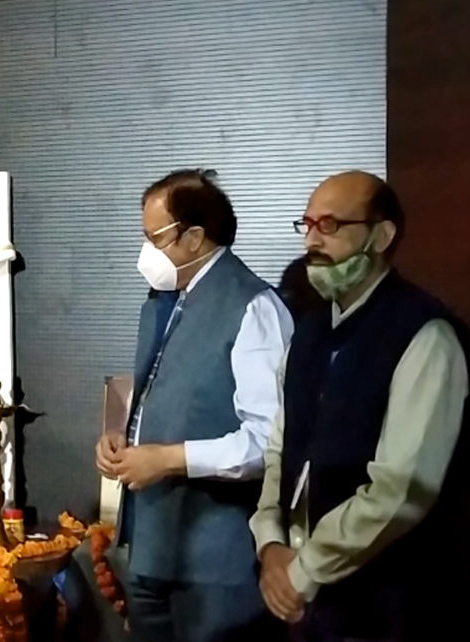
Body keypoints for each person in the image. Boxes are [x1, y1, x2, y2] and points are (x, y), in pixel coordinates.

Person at [249, 171, 469, 641]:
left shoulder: (424, 334)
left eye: (330, 225)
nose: (312, 241)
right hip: (297, 595)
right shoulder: (308, 333)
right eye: (307, 225)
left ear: (381, 235)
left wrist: (304, 570)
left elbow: (402, 490)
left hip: (384, 605)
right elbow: (279, 450)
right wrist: (269, 542)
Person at [95, 169, 292, 642]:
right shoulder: (163, 303)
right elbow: (166, 396)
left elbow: (267, 441)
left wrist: (167, 459)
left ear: (195, 237)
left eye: (154, 238)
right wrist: (122, 439)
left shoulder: (253, 307)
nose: (145, 253)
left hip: (215, 569)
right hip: (151, 551)